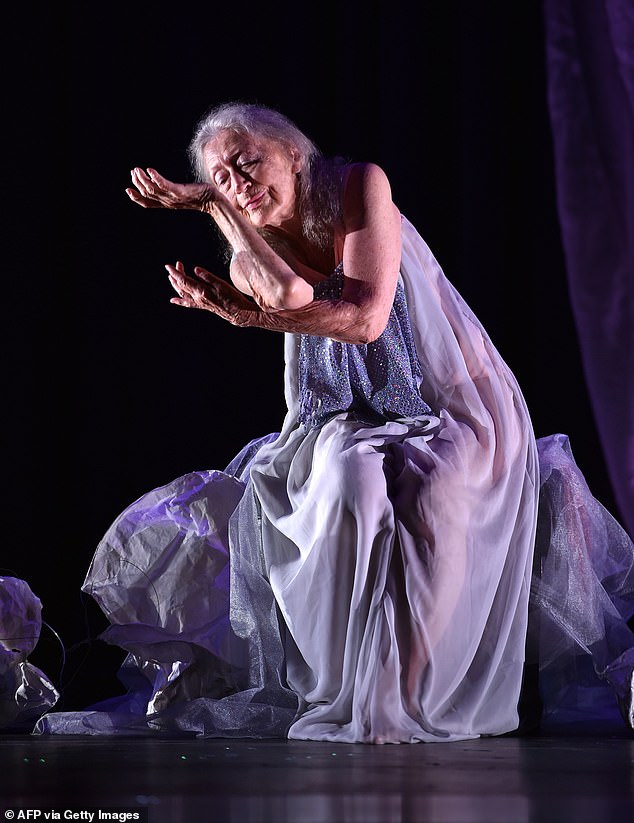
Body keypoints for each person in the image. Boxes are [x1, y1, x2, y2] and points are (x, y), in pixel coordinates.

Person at [34, 102, 634, 743]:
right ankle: (351, 690)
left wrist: (247, 313)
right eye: (221, 177)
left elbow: (365, 317)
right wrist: (221, 212)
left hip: (449, 400)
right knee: (347, 482)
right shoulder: (246, 262)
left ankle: (405, 694)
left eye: (246, 164)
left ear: (293, 155)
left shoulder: (357, 186)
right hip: (341, 411)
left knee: (438, 494)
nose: (236, 182)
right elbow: (292, 297)